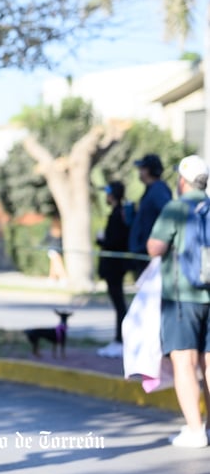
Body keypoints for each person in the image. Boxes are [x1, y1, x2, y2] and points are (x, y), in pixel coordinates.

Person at [147, 154, 210, 448]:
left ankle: (195, 431)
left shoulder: (175, 208)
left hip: (182, 297)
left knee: (184, 361)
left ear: (182, 180)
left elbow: (155, 248)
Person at [96, 182, 131, 359]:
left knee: (119, 305)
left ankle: (121, 340)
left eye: (108, 193)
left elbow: (116, 241)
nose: (106, 196)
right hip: (114, 266)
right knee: (118, 304)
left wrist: (101, 240)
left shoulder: (119, 214)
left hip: (115, 266)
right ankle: (119, 339)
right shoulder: (118, 213)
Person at [130, 153, 172, 276]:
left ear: (148, 170)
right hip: (144, 250)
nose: (139, 172)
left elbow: (168, 214)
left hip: (151, 252)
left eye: (142, 169)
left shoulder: (158, 190)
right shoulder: (151, 189)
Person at [44, 217, 68, 283]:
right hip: (58, 249)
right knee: (56, 264)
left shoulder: (51, 230)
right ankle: (55, 277)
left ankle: (57, 277)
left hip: (52, 249)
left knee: (55, 264)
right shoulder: (61, 230)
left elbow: (46, 239)